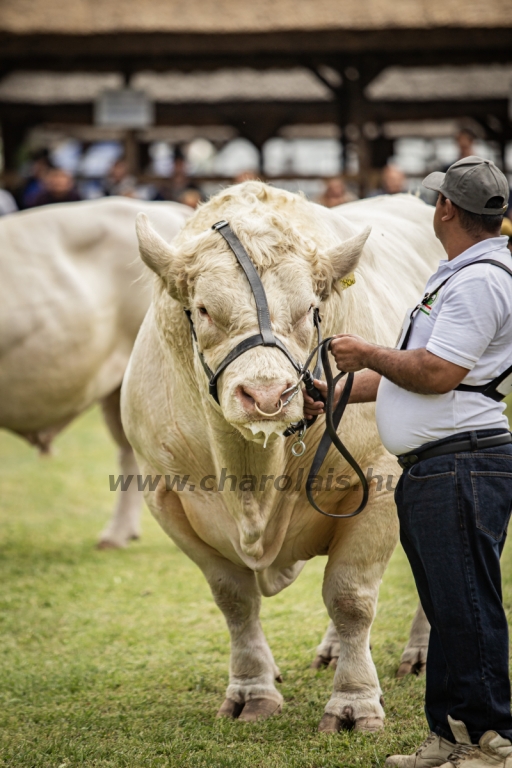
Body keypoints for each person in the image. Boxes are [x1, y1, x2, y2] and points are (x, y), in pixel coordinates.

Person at [305, 156, 512, 768]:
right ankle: (449, 737)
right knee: (450, 606)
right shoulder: (461, 272)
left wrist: (363, 350)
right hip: (441, 465)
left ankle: (491, 740)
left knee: (467, 607)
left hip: (460, 464)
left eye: (437, 201)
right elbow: (419, 373)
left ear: (446, 208)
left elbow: (436, 373)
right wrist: (336, 394)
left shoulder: (478, 280)